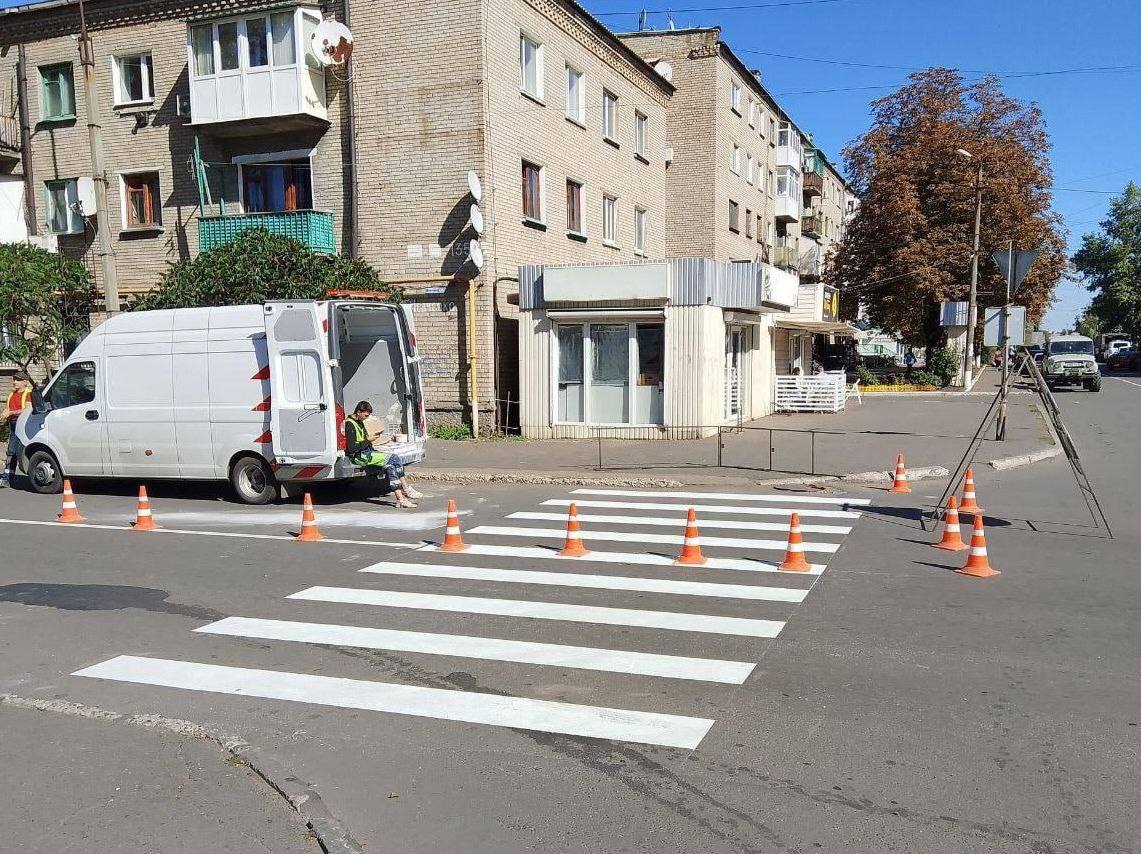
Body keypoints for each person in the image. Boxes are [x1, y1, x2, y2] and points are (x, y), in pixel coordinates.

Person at [343, 400, 424, 508]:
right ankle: (406, 489)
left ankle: (400, 499)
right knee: (394, 458)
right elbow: (352, 448)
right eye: (365, 415)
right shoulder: (350, 424)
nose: (366, 418)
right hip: (359, 456)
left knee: (390, 467)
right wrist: (368, 440)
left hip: (366, 452)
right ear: (358, 412)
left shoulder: (359, 421)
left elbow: (364, 440)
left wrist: (372, 439)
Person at [1, 372, 32, 488]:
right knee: (11, 451)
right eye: (14, 379)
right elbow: (8, 408)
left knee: (23, 452)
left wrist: (11, 412)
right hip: (13, 425)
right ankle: (8, 477)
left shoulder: (28, 394)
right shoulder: (12, 394)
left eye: (18, 380)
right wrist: (4, 414)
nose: (15, 382)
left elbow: (27, 410)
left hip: (24, 426)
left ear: (25, 382)